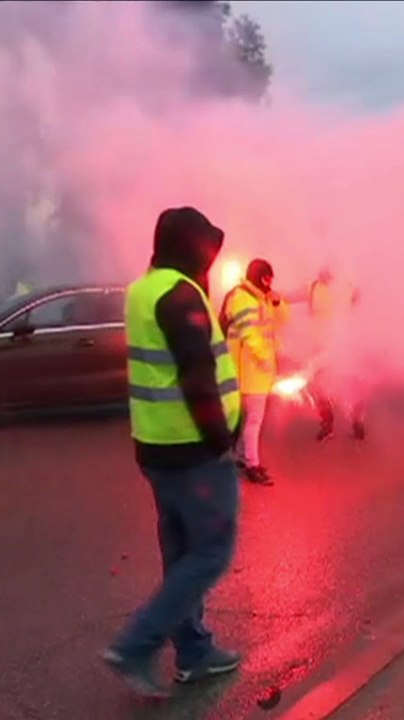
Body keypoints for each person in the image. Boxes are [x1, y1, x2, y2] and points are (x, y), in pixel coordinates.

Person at [103, 207, 243, 699]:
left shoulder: (145, 288)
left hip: (156, 445)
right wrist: (223, 442)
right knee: (210, 551)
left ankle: (194, 652)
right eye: (206, 247)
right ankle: (136, 645)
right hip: (194, 450)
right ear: (189, 247)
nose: (211, 256)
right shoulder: (183, 296)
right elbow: (198, 380)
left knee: (182, 552)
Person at [220, 258, 287, 486]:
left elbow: (281, 322)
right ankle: (252, 465)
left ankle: (241, 457)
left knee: (250, 419)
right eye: (269, 277)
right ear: (261, 277)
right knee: (254, 421)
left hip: (256, 370)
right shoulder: (244, 299)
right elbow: (250, 336)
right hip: (249, 369)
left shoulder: (260, 298)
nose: (271, 282)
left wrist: (278, 303)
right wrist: (266, 359)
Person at [308, 267, 366, 441]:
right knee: (319, 386)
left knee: (352, 384)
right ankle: (327, 423)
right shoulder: (312, 287)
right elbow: (290, 296)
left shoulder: (346, 285)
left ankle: (358, 421)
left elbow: (361, 305)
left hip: (343, 347)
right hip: (319, 347)